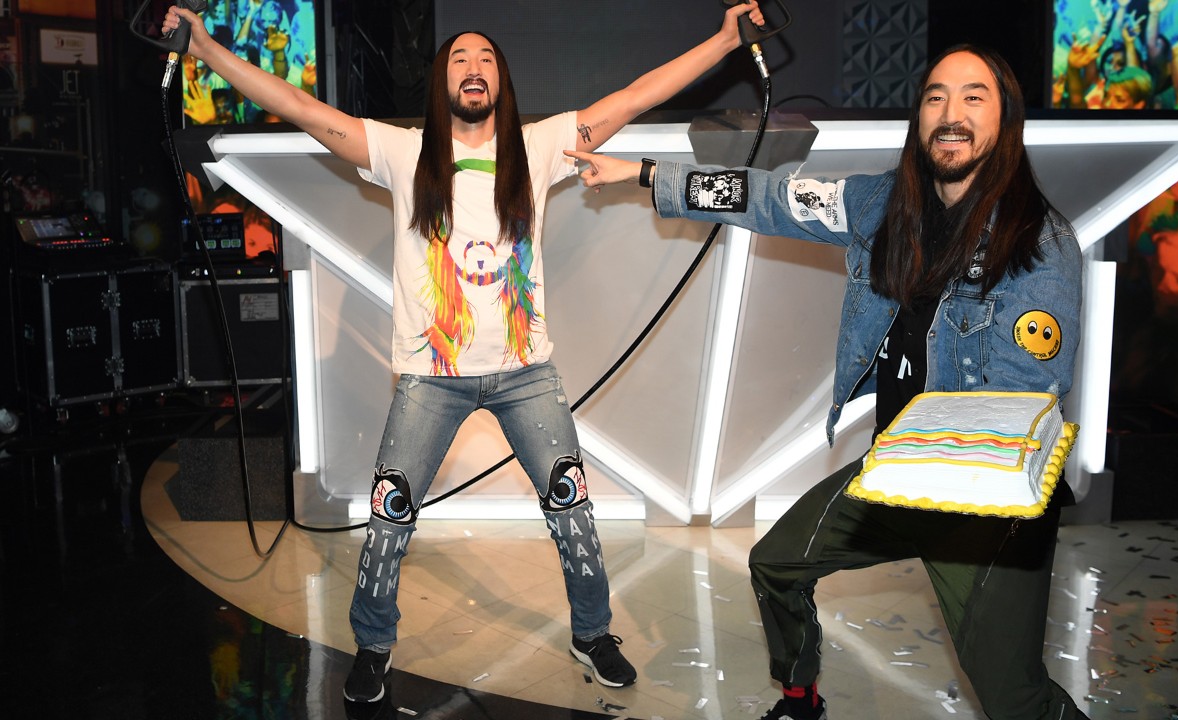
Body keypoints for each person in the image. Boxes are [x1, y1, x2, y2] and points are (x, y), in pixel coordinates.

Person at [162, 0, 766, 705]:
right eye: (459, 59)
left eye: (486, 60)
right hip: (430, 380)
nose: (474, 68)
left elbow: (637, 95)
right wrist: (204, 48)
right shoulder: (401, 151)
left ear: (501, 83)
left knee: (573, 512)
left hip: (525, 376)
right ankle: (374, 645)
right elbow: (298, 104)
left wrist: (725, 41)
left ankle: (593, 632)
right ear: (440, 82)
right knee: (390, 516)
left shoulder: (539, 147)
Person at [568, 45, 1088, 720]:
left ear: (1005, 121)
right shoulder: (879, 205)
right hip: (897, 471)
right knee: (777, 563)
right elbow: (770, 199)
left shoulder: (1038, 245)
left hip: (982, 504)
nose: (950, 114)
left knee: (1014, 698)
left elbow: (1017, 407)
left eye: (973, 97)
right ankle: (800, 698)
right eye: (935, 97)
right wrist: (642, 174)